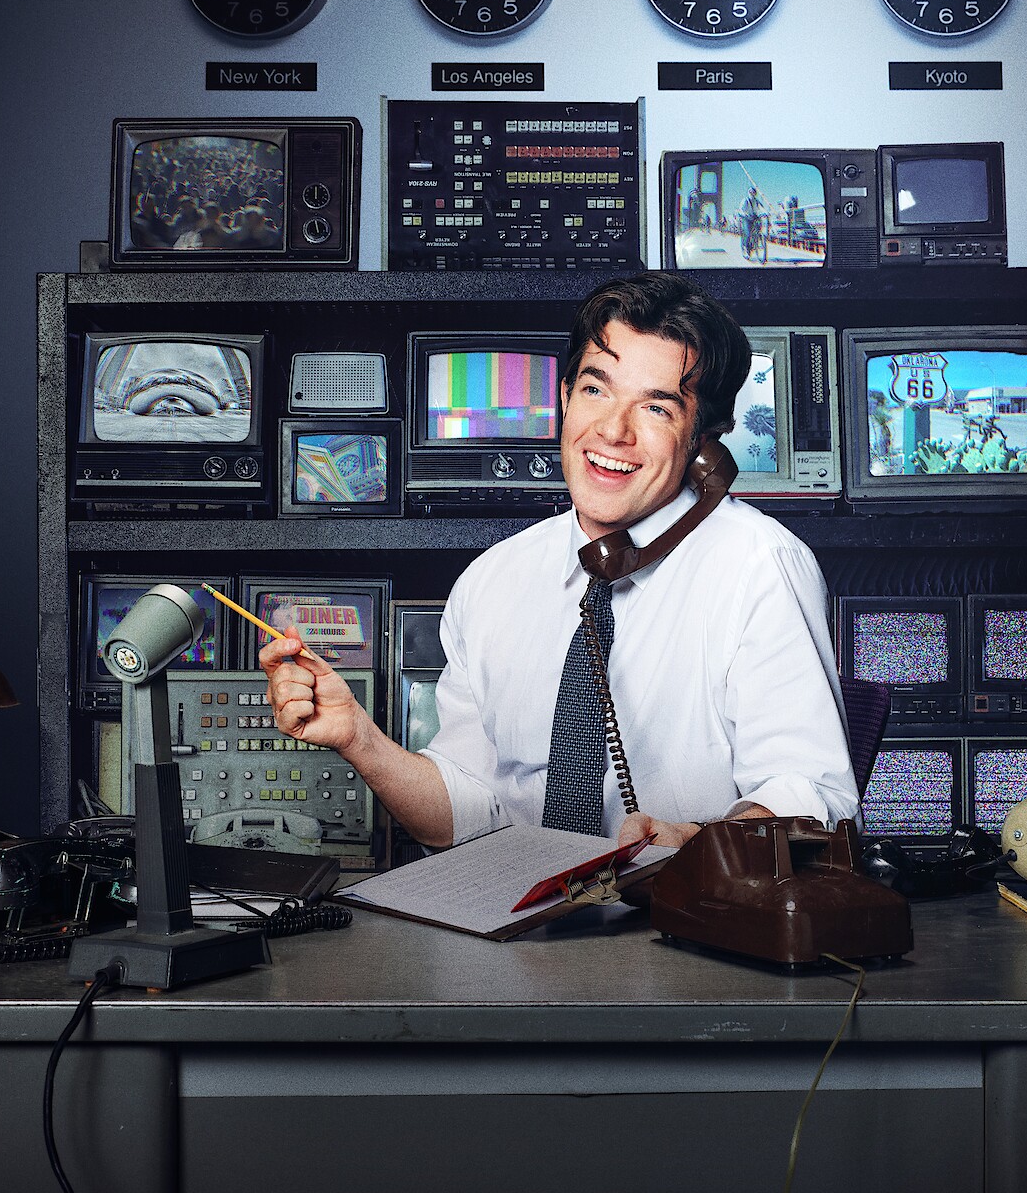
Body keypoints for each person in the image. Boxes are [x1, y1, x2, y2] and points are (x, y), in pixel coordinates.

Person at [259, 273, 858, 850]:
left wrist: (696, 845)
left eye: (657, 409)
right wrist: (359, 738)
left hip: (684, 930)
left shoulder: (760, 566)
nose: (612, 431)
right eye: (596, 390)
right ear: (565, 398)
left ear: (705, 441)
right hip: (520, 929)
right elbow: (461, 818)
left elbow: (811, 801)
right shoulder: (492, 581)